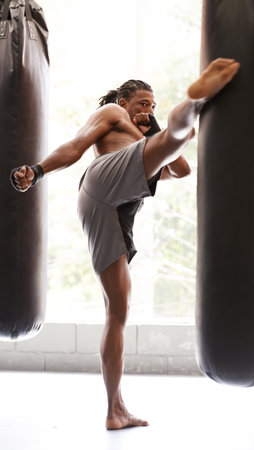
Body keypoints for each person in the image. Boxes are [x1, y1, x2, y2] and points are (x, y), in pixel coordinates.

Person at [11, 57, 240, 430]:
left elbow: (180, 170)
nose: (146, 111)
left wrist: (155, 130)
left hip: (108, 209)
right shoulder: (113, 112)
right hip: (103, 180)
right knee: (177, 138)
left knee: (117, 313)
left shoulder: (146, 139)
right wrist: (37, 172)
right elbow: (76, 146)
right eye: (142, 104)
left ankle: (115, 409)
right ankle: (196, 102)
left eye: (152, 106)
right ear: (124, 100)